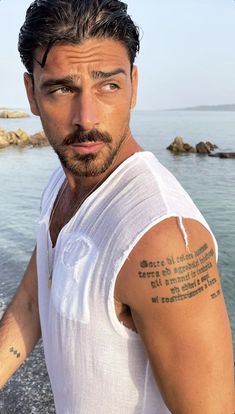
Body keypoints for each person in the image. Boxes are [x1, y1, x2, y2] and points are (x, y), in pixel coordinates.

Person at [0, 0, 234, 412]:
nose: (86, 119)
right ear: (31, 94)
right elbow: (35, 298)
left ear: (134, 85)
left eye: (108, 85)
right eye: (61, 88)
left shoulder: (161, 237)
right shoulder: (62, 183)